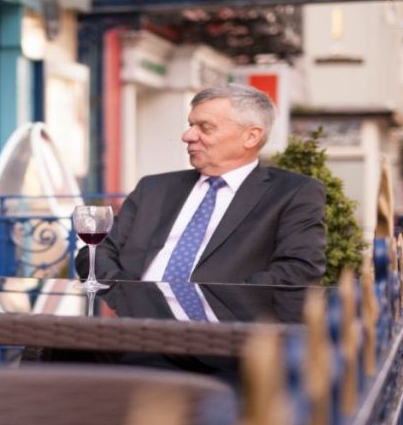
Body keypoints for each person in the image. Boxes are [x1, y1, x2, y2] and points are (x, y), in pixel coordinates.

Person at [77, 84, 326, 286]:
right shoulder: (153, 189)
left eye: (204, 128)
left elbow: (298, 270)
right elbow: (94, 253)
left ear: (251, 136)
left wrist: (212, 302)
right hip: (133, 326)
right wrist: (132, 297)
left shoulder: (292, 193)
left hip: (224, 333)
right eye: (190, 125)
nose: (188, 136)